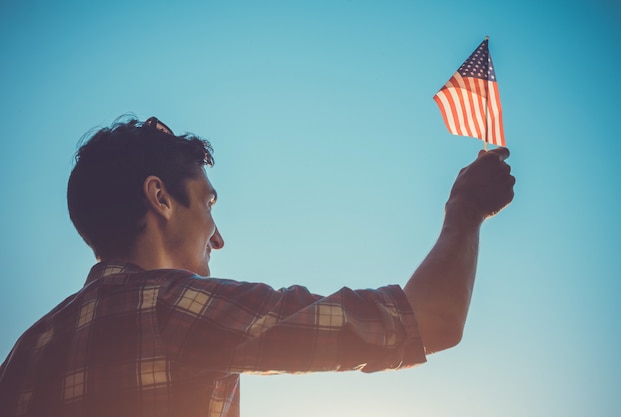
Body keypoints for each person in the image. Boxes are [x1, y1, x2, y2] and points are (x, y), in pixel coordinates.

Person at [0, 116, 515, 417]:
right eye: (208, 204)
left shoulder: (23, 354)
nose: (218, 237)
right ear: (159, 197)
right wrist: (465, 213)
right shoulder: (177, 309)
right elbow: (425, 322)